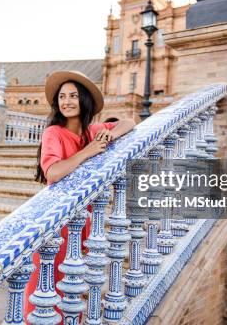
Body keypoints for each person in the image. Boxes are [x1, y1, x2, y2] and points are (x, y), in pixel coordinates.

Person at [24, 70, 135, 321]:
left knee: (74, 284)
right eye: (62, 97)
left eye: (73, 96)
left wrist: (111, 134)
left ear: (83, 100)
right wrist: (88, 151)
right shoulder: (54, 132)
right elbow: (52, 172)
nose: (67, 101)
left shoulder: (91, 130)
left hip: (81, 220)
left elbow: (129, 122)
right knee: (49, 281)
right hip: (57, 220)